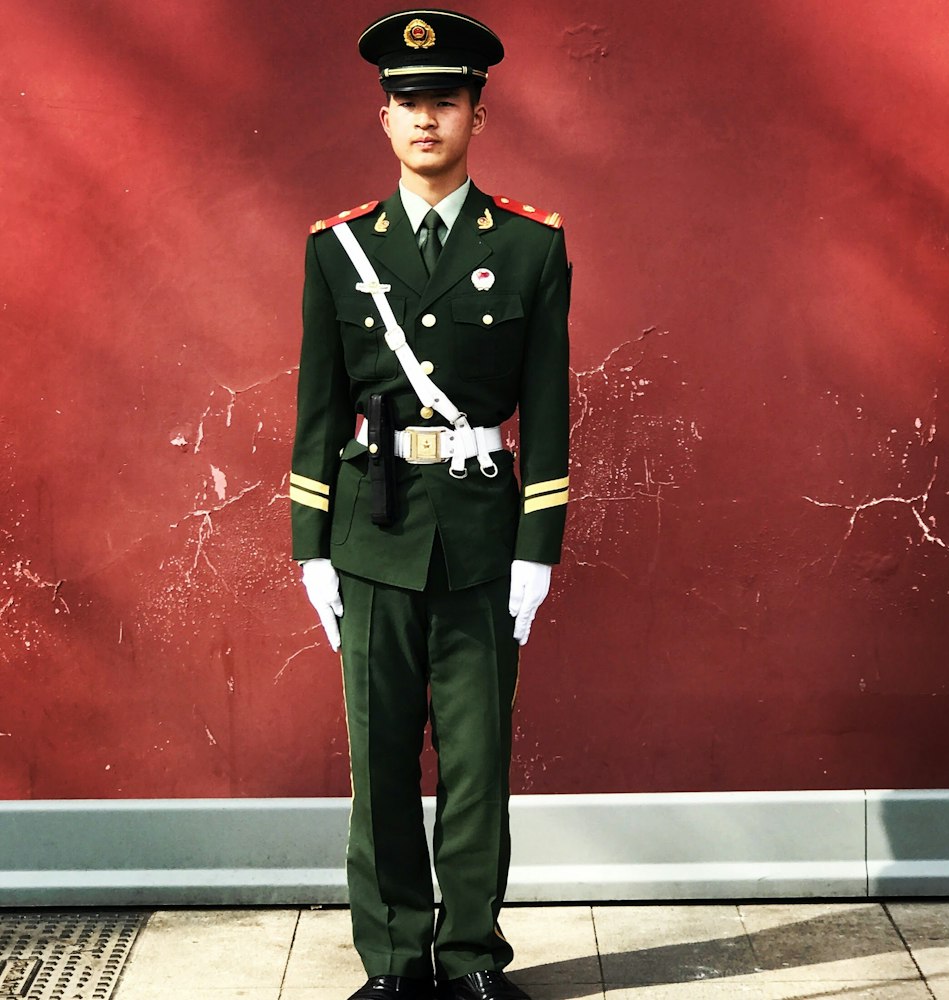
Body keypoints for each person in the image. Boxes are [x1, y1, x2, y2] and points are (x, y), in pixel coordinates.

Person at [289, 10, 570, 1000]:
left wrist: (538, 547)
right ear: (383, 119)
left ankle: (472, 960)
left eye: (443, 102)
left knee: (477, 762)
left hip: (481, 533)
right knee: (379, 760)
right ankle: (398, 963)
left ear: (475, 117)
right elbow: (317, 403)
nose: (424, 120)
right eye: (407, 103)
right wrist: (308, 546)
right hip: (372, 531)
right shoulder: (338, 250)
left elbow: (547, 405)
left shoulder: (532, 249)